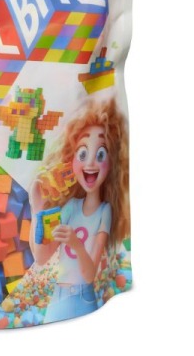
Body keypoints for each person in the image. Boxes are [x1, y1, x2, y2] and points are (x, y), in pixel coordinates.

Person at [30, 97, 130, 323]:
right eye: (83, 154)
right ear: (71, 159)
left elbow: (89, 275)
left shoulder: (104, 211)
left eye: (100, 154)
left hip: (83, 298)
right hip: (58, 297)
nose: (90, 163)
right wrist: (37, 208)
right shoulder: (70, 208)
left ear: (112, 163)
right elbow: (42, 257)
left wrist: (76, 244)